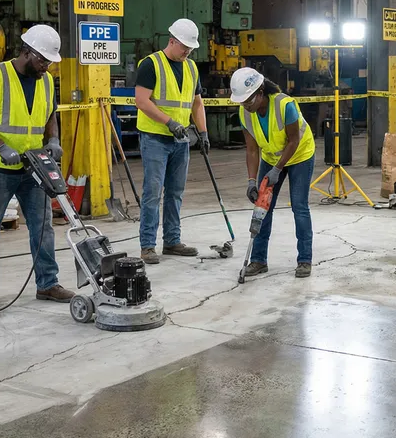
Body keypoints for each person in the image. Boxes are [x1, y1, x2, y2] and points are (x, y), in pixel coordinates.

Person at [0, 25, 74, 311]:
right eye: (42, 60)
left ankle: (47, 283)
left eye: (49, 61)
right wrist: (0, 146)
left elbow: (50, 114)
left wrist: (53, 139)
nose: (46, 66)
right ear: (26, 52)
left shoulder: (46, 80)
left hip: (33, 166)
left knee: (43, 227)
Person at [135, 18, 209, 265]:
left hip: (181, 140)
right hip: (156, 138)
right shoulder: (151, 64)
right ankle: (147, 246)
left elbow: (197, 103)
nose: (187, 51)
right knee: (153, 193)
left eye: (190, 48)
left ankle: (172, 241)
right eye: (183, 47)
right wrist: (169, 122)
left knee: (175, 192)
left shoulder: (191, 68)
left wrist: (203, 132)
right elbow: (142, 101)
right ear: (171, 41)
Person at [230, 67, 315, 278]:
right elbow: (251, 149)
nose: (245, 105)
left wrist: (278, 170)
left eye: (248, 100)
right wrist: (251, 181)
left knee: (299, 206)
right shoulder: (245, 113)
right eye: (242, 101)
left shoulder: (285, 105)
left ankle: (304, 260)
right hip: (270, 158)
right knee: (262, 208)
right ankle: (258, 260)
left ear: (260, 92)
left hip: (300, 155)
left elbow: (294, 141)